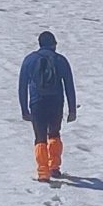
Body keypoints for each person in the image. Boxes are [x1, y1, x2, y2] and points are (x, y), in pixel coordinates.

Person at [17, 31, 79, 182]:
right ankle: (54, 167)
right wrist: (72, 110)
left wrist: (24, 109)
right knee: (54, 133)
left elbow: (22, 86)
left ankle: (43, 172)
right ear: (54, 44)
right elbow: (69, 86)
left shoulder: (29, 60)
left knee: (40, 137)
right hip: (56, 102)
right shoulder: (61, 60)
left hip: (37, 103)